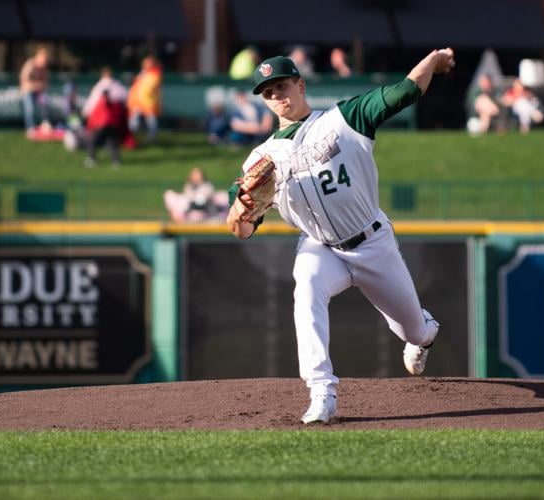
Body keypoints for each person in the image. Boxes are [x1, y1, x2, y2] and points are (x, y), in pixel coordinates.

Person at [226, 49, 454, 424]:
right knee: (306, 286)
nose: (277, 96)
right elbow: (241, 230)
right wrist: (242, 210)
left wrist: (431, 61)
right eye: (268, 92)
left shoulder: (343, 119)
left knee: (414, 329)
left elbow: (406, 91)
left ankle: (423, 335)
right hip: (321, 247)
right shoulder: (259, 160)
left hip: (372, 242)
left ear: (300, 85)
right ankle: (322, 392)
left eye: (282, 85)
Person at [82, 67, 128, 168]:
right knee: (112, 141)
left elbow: (91, 103)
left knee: (93, 140)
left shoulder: (99, 87)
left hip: (100, 121)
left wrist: (85, 113)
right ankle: (116, 161)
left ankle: (91, 159)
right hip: (114, 121)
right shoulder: (118, 86)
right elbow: (125, 98)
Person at [164, 167, 228, 222]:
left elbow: (201, 202)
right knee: (169, 194)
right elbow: (186, 199)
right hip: (189, 212)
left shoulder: (207, 187)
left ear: (202, 176)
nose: (195, 177)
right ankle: (177, 219)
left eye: (197, 174)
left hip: (204, 213)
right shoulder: (188, 187)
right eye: (193, 175)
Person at [127, 55, 162, 143]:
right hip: (138, 101)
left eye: (148, 63)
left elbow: (151, 87)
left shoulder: (155, 74)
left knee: (151, 119)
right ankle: (131, 136)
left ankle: (152, 137)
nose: (146, 65)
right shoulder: (143, 73)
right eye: (145, 63)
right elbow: (137, 83)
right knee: (134, 118)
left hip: (149, 101)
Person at [19, 46, 50, 132]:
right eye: (42, 58)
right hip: (27, 91)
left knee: (45, 99)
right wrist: (34, 86)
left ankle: (45, 124)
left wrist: (40, 86)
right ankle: (30, 128)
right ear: (38, 56)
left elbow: (45, 84)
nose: (44, 61)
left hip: (38, 92)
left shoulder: (44, 68)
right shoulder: (30, 64)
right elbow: (23, 79)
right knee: (30, 107)